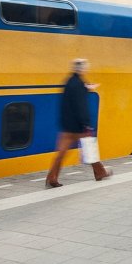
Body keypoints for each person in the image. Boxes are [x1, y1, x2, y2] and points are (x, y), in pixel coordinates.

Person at [45, 58, 110, 188]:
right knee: (90, 149)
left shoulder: (69, 82)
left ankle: (52, 178)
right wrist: (86, 124)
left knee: (61, 154)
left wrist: (86, 88)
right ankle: (100, 172)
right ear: (83, 69)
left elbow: (70, 100)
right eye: (86, 67)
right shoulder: (79, 84)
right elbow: (81, 106)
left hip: (67, 125)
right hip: (79, 126)